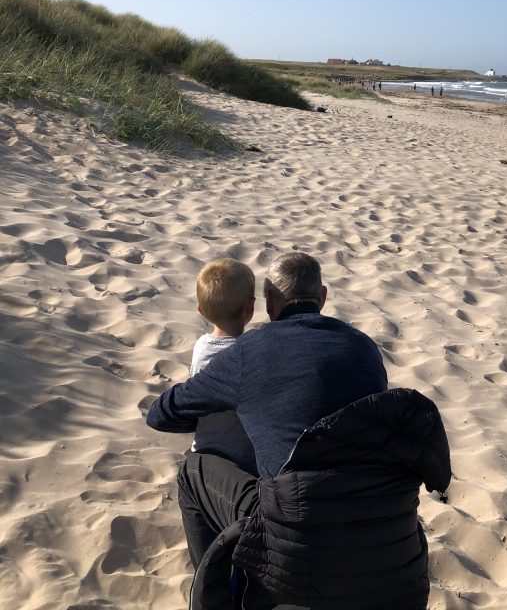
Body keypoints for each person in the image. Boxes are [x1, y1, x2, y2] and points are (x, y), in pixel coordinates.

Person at [146, 252, 450, 610]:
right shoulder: (364, 348)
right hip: (396, 560)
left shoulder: (248, 352)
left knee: (192, 471)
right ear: (322, 297)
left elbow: (161, 414)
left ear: (269, 303)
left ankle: (217, 594)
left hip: (296, 556)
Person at [190, 259, 258, 474]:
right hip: (245, 457)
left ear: (200, 310)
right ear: (251, 306)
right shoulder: (251, 350)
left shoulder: (201, 347)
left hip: (205, 450)